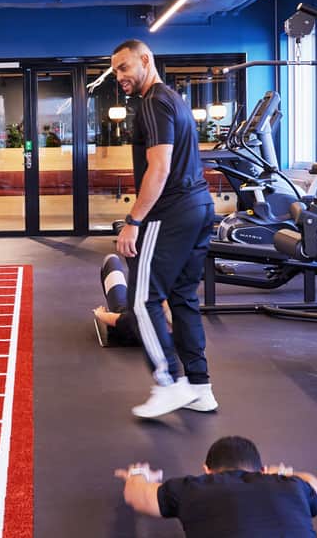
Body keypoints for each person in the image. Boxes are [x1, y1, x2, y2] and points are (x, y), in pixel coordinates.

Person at [110, 39, 217, 418]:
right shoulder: (172, 98)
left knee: (143, 299)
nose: (119, 76)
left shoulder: (153, 102)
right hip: (200, 207)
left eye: (124, 67)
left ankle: (168, 380)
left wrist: (133, 221)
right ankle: (201, 386)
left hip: (170, 212)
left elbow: (159, 168)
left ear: (145, 60)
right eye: (115, 71)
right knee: (184, 296)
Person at [115, 435, 317, 537]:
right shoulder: (293, 487)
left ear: (206, 470)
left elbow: (137, 496)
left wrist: (138, 474)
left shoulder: (192, 488)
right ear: (261, 470)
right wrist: (286, 474)